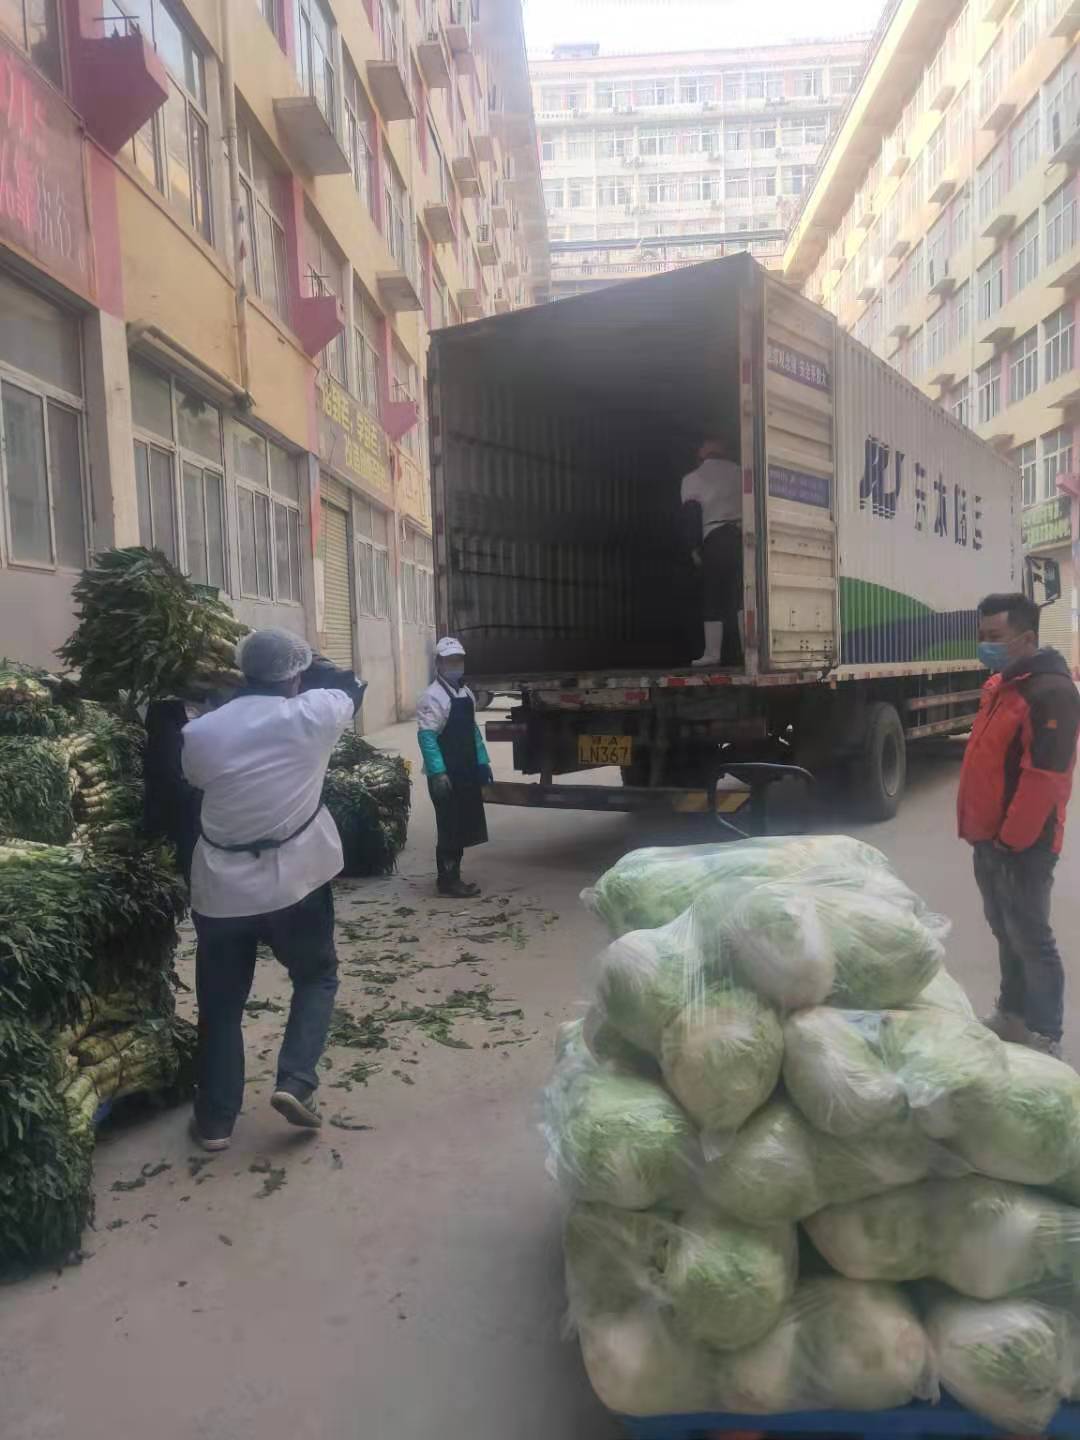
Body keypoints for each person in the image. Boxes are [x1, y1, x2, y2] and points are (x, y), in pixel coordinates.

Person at [181, 628, 364, 1149]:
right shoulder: (314, 714)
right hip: (296, 884)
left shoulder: (201, 733)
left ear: (242, 672)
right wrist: (314, 663)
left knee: (221, 1005)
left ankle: (216, 1122)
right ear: (297, 674)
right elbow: (351, 684)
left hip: (222, 891)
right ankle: (296, 1081)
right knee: (316, 976)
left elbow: (194, 780)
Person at [957, 592, 1080, 1057]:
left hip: (1024, 846)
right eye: (982, 635)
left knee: (1032, 939)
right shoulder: (1003, 684)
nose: (985, 645)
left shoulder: (1051, 692)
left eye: (995, 636)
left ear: (1027, 638)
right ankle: (1012, 1014)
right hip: (989, 840)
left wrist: (1011, 842)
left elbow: (1045, 779)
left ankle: (1045, 1034)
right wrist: (985, 835)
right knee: (1004, 931)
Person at [417, 637, 493, 898]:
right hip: (446, 775)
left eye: (459, 660)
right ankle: (448, 881)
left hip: (466, 771)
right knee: (449, 826)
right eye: (450, 661)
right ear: (438, 663)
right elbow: (427, 737)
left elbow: (473, 732)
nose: (455, 665)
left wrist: (482, 762)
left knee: (462, 825)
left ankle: (453, 876)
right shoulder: (432, 697)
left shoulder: (466, 693)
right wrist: (438, 772)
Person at [680, 438, 743, 667]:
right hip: (741, 537)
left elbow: (691, 514)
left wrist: (694, 548)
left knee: (713, 595)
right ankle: (748, 650)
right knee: (741, 595)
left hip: (714, 538)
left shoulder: (693, 478)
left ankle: (712, 654)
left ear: (700, 455)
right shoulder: (740, 472)